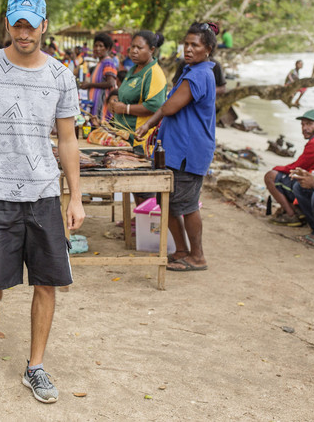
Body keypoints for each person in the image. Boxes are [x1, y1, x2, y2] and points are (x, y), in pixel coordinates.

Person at [0, 0, 84, 404]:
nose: (25, 32)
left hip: (44, 193)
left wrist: (76, 196)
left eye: (32, 24)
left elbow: (67, 138)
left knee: (46, 282)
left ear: (45, 25)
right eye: (18, 24)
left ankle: (35, 367)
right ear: (9, 24)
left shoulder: (61, 76)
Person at [135, 22, 219, 272]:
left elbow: (169, 107)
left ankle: (198, 256)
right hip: (176, 150)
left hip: (188, 152)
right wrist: (150, 125)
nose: (189, 49)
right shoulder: (191, 70)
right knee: (168, 203)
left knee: (187, 205)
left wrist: (148, 123)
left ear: (209, 49)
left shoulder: (199, 74)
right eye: (187, 44)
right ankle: (181, 251)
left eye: (195, 45)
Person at [108, 31, 167, 155]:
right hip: (123, 138)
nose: (134, 51)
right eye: (132, 46)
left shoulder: (154, 73)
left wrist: (126, 108)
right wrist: (115, 103)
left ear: (151, 50)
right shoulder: (134, 69)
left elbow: (155, 106)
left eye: (139, 48)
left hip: (138, 141)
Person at [264, 110, 314, 226]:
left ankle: (291, 215)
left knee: (270, 176)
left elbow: (296, 167)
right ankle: (298, 210)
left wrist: (277, 168)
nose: (304, 128)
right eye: (302, 124)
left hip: (313, 186)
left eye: (309, 124)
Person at [81, 33, 117, 121]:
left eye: (101, 46)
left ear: (107, 48)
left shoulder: (107, 62)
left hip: (102, 106)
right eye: (96, 46)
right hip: (96, 104)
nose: (97, 49)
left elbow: (110, 82)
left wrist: (90, 85)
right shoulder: (100, 63)